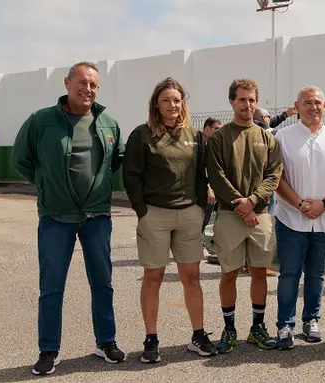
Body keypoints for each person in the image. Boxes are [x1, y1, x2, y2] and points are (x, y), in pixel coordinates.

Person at [10, 61, 126, 375]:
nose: (88, 89)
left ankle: (106, 342)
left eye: (94, 85)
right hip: (55, 217)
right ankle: (49, 350)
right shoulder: (41, 121)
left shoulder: (108, 123)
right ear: (67, 82)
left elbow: (115, 162)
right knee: (51, 286)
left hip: (97, 217)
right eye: (83, 82)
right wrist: (46, 183)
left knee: (102, 283)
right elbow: (20, 159)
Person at [123, 77, 215, 363]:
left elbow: (202, 173)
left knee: (192, 276)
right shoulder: (142, 134)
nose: (172, 105)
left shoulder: (195, 136)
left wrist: (199, 207)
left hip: (188, 214)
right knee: (154, 276)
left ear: (182, 103)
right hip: (155, 214)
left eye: (177, 100)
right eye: (166, 100)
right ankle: (151, 339)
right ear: (156, 104)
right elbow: (131, 175)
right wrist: (142, 210)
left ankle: (198, 335)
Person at [206, 78, 283, 353]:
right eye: (242, 99)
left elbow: (274, 175)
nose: (247, 105)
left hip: (260, 215)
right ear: (231, 102)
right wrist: (241, 205)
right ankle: (229, 329)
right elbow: (216, 175)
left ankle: (257, 328)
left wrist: (252, 202)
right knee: (229, 273)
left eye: (252, 100)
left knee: (260, 272)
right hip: (229, 215)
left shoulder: (267, 138)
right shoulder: (218, 138)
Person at [273, 86, 325, 350]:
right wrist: (300, 204)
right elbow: (277, 178)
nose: (312, 107)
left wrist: (324, 204)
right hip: (291, 219)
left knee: (316, 274)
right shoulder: (283, 137)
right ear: (297, 106)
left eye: (317, 102)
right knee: (289, 274)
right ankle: (285, 325)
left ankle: (312, 320)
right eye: (307, 102)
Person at [202, 118, 223, 265]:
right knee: (202, 219)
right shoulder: (199, 145)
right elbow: (201, 171)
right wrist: (208, 189)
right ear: (207, 129)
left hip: (213, 190)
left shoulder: (212, 145)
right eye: (216, 129)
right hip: (202, 191)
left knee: (210, 218)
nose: (219, 132)